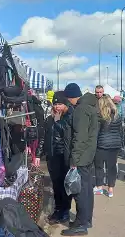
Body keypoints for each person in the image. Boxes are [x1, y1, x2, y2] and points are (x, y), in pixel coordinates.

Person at [61, 83, 99, 236]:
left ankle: (81, 224)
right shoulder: (89, 106)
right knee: (87, 189)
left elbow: (80, 137)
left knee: (80, 191)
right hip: (88, 155)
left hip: (81, 157)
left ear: (70, 97)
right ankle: (85, 220)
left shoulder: (81, 110)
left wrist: (74, 159)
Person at [35, 91, 73, 224]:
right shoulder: (49, 120)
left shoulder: (68, 118)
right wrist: (38, 154)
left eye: (60, 104)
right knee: (56, 185)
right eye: (55, 104)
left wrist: (58, 121)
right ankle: (58, 210)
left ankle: (65, 211)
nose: (57, 107)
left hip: (63, 156)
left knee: (64, 186)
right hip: (52, 157)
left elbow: (67, 136)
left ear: (65, 105)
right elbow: (43, 138)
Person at [93, 95, 123, 198]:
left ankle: (99, 188)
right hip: (114, 144)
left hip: (101, 144)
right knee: (111, 167)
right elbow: (120, 131)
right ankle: (110, 190)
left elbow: (96, 132)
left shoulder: (100, 116)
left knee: (99, 167)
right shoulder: (117, 116)